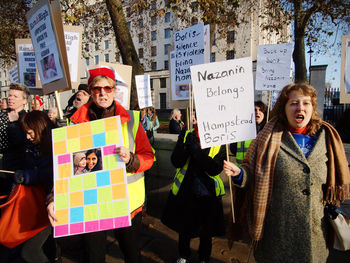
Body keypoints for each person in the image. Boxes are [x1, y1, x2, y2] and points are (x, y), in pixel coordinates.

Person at [223, 83, 350, 263]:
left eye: (306, 103)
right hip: (277, 232)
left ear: (313, 107)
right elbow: (251, 174)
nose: (300, 108)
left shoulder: (327, 137)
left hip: (314, 231)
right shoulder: (268, 137)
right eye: (294, 103)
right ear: (284, 108)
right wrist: (239, 174)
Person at [47, 67, 154, 263]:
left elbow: (148, 156)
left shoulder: (132, 120)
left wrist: (131, 159)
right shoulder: (75, 123)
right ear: (90, 90)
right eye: (97, 89)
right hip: (91, 204)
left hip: (128, 204)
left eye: (107, 88)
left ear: (114, 90)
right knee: (93, 257)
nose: (102, 93)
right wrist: (54, 198)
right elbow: (63, 169)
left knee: (132, 255)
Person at [162, 117, 226, 263]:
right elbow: (176, 161)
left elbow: (215, 168)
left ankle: (204, 258)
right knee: (184, 229)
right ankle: (184, 255)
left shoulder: (221, 137)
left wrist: (196, 151)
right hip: (186, 190)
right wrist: (186, 146)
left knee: (206, 231)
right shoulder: (186, 133)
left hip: (208, 193)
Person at [0, 110, 55, 263]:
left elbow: (52, 173)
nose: (27, 137)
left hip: (52, 202)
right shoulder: (32, 147)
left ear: (40, 128)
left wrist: (28, 176)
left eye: (30, 133)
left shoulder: (55, 146)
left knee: (30, 252)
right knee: (46, 248)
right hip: (37, 204)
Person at [0, 83, 30, 194]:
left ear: (24, 101)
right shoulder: (2, 116)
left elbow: (22, 142)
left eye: (15, 96)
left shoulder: (27, 118)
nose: (10, 98)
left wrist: (14, 124)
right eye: (10, 95)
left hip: (16, 169)